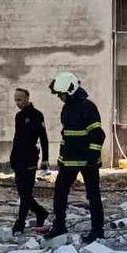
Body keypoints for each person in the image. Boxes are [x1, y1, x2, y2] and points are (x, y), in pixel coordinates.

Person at [45, 72, 106, 244]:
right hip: (69, 161)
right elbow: (67, 135)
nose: (59, 97)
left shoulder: (88, 107)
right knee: (59, 193)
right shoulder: (67, 108)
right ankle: (59, 226)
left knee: (93, 195)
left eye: (61, 94)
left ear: (70, 91)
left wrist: (92, 158)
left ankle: (97, 231)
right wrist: (61, 158)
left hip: (88, 162)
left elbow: (98, 135)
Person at [9, 87, 50, 235]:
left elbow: (43, 138)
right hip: (19, 158)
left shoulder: (37, 115)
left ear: (27, 99)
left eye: (19, 99)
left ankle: (20, 223)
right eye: (15, 100)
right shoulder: (19, 116)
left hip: (31, 158)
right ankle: (40, 212)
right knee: (22, 192)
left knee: (26, 192)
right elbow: (17, 138)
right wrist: (12, 157)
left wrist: (45, 159)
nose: (17, 103)